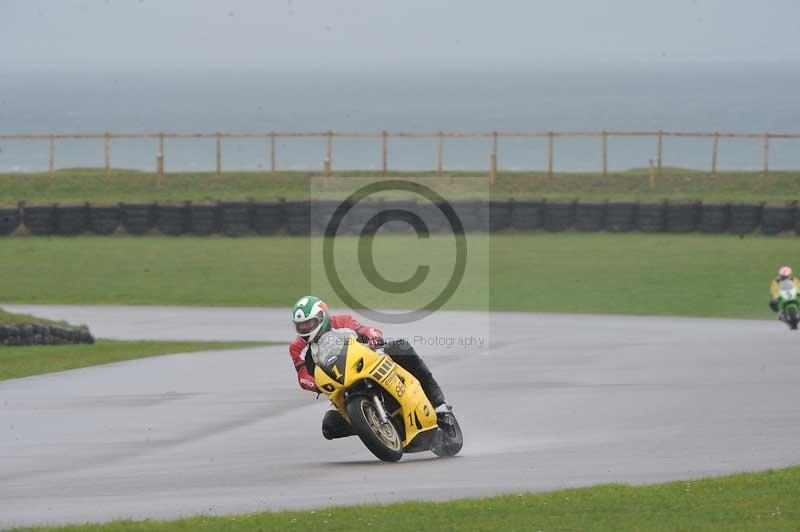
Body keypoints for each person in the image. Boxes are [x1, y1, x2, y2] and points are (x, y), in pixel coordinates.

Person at [289, 295, 454, 440]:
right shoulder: (297, 347)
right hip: (340, 384)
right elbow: (303, 377)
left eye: (309, 323)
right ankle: (371, 427)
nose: (304, 329)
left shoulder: (341, 322)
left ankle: (439, 405)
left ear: (321, 318)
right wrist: (320, 384)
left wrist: (374, 337)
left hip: (366, 362)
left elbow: (366, 330)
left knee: (402, 348)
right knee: (329, 427)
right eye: (300, 326)